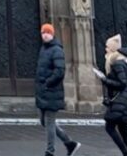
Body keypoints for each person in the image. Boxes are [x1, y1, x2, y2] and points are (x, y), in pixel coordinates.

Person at [35, 23, 80, 156]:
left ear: (52, 34)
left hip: (52, 91)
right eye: (43, 32)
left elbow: (60, 71)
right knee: (44, 121)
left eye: (48, 32)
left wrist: (48, 83)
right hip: (43, 91)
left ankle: (50, 151)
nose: (45, 35)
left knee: (49, 122)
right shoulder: (44, 49)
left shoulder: (56, 50)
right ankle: (69, 143)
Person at [93, 34, 127, 156]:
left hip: (120, 99)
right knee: (123, 129)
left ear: (112, 48)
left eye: (107, 46)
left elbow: (122, 83)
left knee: (110, 127)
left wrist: (104, 79)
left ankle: (126, 153)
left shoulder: (117, 62)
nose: (105, 49)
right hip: (121, 99)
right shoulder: (117, 61)